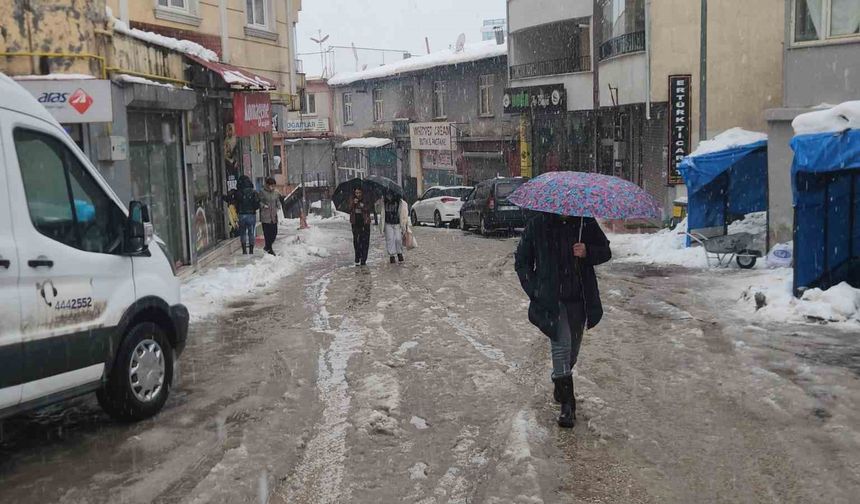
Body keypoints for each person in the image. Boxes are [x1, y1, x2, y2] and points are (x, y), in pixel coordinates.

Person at [514, 214, 612, 428]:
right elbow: (521, 261)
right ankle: (568, 405)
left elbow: (605, 251)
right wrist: (534, 290)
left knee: (571, 352)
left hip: (579, 298)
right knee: (561, 345)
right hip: (551, 300)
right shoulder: (538, 223)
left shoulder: (584, 221)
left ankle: (560, 381)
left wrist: (587, 251)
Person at [378, 193, 411, 264]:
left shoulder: (400, 202)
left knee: (398, 238)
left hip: (397, 223)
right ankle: (392, 255)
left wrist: (404, 223)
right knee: (390, 239)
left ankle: (399, 253)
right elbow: (378, 210)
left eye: (390, 195)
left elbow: (404, 212)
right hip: (388, 223)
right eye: (388, 195)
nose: (389, 197)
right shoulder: (384, 201)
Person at [234, 175, 260, 255]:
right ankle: (251, 250)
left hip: (241, 215)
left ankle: (244, 250)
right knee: (251, 233)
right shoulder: (254, 192)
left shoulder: (238, 193)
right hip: (251, 215)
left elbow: (236, 204)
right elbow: (257, 204)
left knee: (242, 233)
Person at [260, 177, 284, 255]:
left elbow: (277, 201)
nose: (272, 187)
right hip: (265, 216)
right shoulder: (262, 192)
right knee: (267, 234)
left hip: (273, 216)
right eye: (271, 185)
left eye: (273, 185)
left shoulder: (276, 193)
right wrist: (263, 206)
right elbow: (259, 201)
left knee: (274, 233)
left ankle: (267, 247)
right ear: (267, 185)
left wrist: (279, 205)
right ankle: (269, 249)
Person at [349, 186, 372, 266]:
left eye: (359, 193)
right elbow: (349, 209)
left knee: (364, 241)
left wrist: (362, 205)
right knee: (356, 241)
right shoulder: (352, 199)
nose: (357, 194)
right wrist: (353, 204)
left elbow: (368, 208)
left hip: (365, 223)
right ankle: (357, 256)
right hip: (355, 223)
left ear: (362, 193)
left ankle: (363, 259)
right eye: (356, 193)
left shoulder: (366, 199)